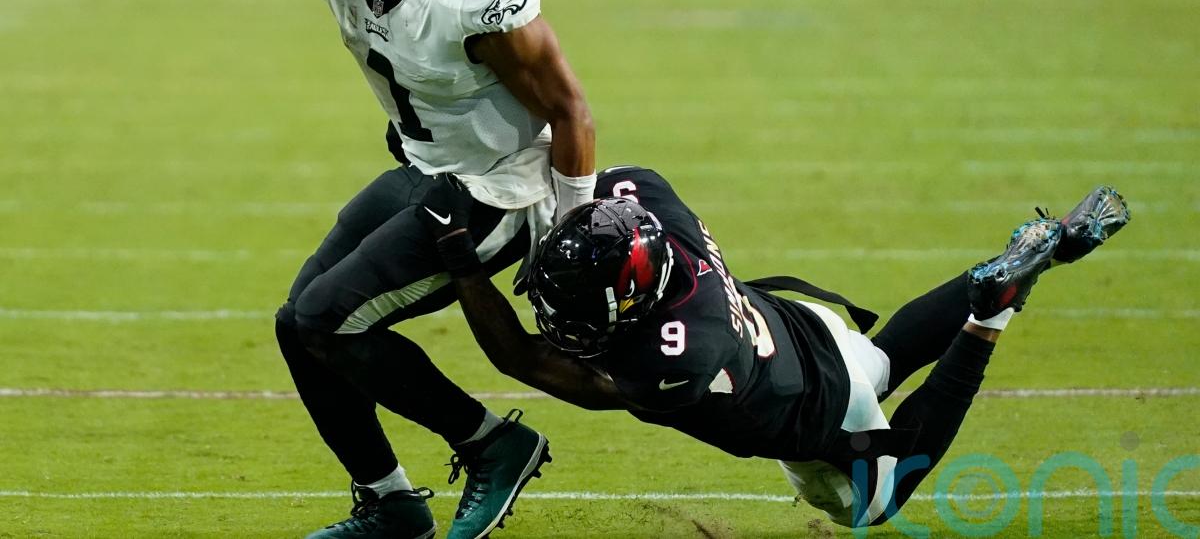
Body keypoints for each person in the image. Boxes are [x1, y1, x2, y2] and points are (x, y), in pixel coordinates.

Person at [159, 0, 598, 537]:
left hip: (500, 188)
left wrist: (569, 234)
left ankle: (492, 443)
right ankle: (390, 503)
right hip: (427, 168)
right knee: (297, 326)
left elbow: (570, 110)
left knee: (326, 319)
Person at [419, 166, 1130, 529]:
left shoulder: (669, 364)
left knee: (876, 502)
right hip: (804, 336)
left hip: (817, 407)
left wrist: (458, 253)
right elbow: (579, 189)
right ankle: (1022, 268)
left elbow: (525, 359)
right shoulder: (646, 202)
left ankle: (991, 315)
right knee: (879, 362)